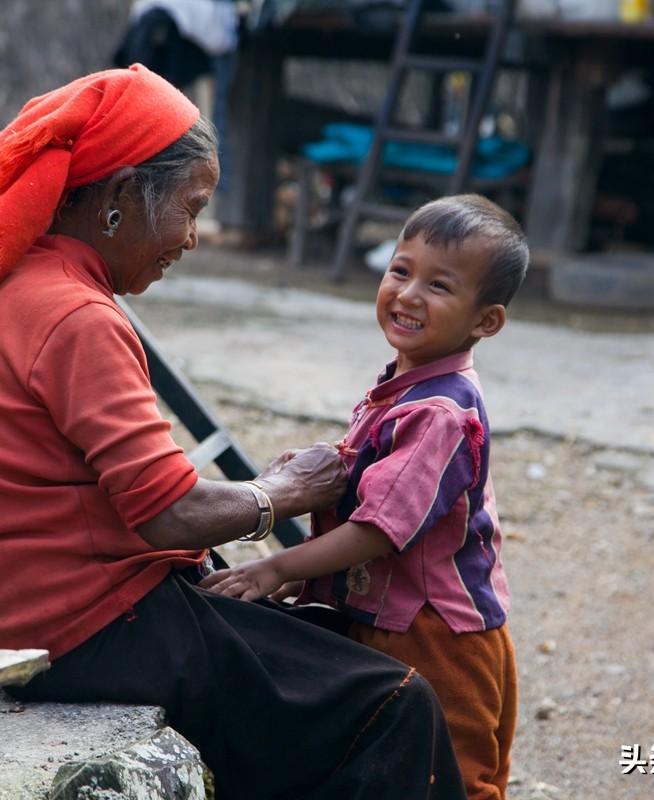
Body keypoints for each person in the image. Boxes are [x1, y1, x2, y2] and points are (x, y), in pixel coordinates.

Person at [0, 65, 467, 800]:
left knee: (320, 648)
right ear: (119, 200)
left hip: (44, 620)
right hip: (94, 631)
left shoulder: (27, 291)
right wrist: (283, 492)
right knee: (395, 704)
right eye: (190, 208)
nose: (194, 237)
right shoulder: (74, 315)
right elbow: (167, 512)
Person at [203, 194, 528, 800]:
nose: (407, 294)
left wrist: (276, 566)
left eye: (439, 285)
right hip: (388, 615)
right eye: (401, 270)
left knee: (452, 778)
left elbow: (381, 528)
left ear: (486, 321)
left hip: (434, 633)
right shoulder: (405, 383)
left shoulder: (441, 411)